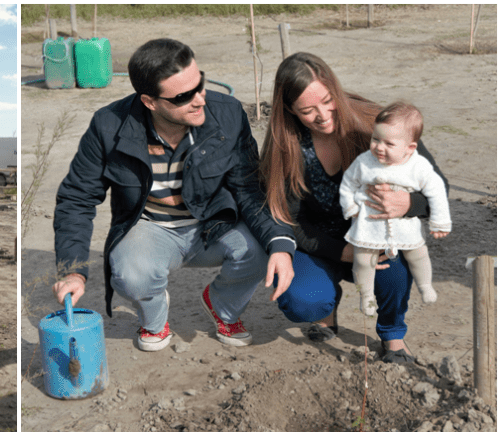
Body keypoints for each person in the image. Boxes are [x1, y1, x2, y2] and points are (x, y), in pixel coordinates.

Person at [52, 38, 296, 352]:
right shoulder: (108, 126)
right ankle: (154, 318)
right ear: (150, 102)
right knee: (131, 273)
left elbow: (249, 188)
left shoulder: (229, 114)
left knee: (263, 250)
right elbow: (77, 197)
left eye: (200, 85)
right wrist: (72, 270)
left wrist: (279, 241)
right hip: (151, 229)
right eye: (183, 96)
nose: (199, 100)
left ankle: (223, 307)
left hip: (213, 224)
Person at [259, 52, 448, 364]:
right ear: (290, 110)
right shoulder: (286, 147)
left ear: (336, 87)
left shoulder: (379, 123)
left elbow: (439, 187)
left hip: (376, 239)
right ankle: (325, 312)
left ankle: (392, 335)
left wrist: (409, 203)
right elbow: (289, 221)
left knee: (395, 269)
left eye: (328, 100)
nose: (323, 115)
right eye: (307, 110)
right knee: (305, 302)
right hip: (319, 244)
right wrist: (342, 252)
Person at [339, 102, 451, 316]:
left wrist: (440, 221)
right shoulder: (364, 162)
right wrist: (351, 207)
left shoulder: (418, 166)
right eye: (375, 139)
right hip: (368, 225)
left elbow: (437, 190)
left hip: (404, 226)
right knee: (363, 261)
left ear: (410, 148)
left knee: (418, 255)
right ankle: (366, 295)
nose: (379, 147)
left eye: (389, 144)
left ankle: (425, 285)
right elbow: (347, 184)